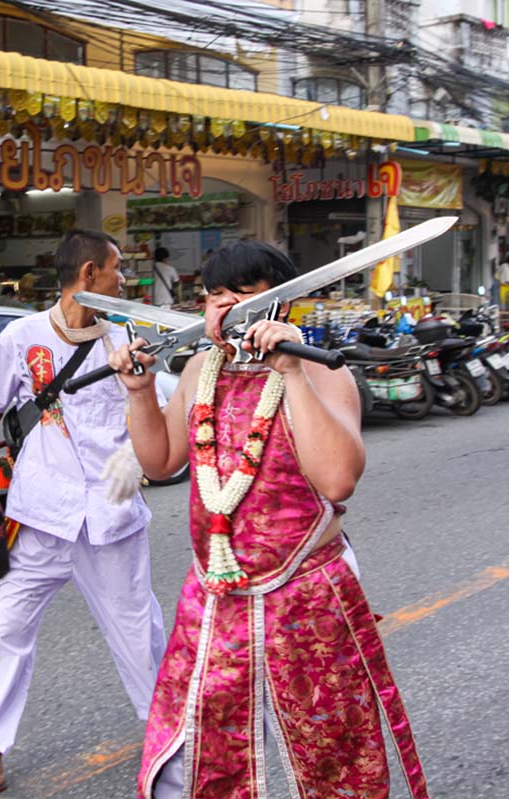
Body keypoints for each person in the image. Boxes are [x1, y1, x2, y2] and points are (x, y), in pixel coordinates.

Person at [109, 241, 429, 799]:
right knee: (193, 745)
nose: (223, 307)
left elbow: (337, 481)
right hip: (215, 592)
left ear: (280, 305)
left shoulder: (320, 372)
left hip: (304, 589)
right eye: (213, 296)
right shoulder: (200, 369)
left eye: (243, 295)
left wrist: (293, 372)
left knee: (331, 747)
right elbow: (161, 462)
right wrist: (138, 393)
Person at [0, 229, 166, 799]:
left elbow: (158, 411)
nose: (123, 279)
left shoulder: (131, 337)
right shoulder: (21, 336)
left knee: (136, 631)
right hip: (41, 514)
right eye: (116, 269)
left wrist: (138, 454)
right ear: (88, 275)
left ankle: (169, 737)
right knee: (7, 630)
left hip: (111, 514)